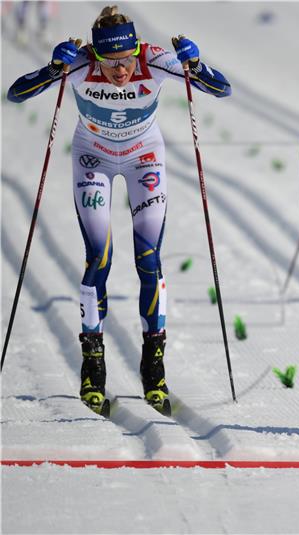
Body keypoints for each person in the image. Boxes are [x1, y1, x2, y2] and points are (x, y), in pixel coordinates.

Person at [7, 5, 232, 416]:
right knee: (100, 258)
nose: (121, 72)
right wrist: (51, 68)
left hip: (145, 159)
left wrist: (196, 65)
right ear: (96, 55)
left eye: (126, 61)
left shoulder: (155, 59)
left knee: (149, 259)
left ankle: (154, 368)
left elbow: (222, 90)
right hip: (93, 159)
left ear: (136, 51)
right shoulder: (78, 63)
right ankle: (93, 368)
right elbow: (15, 93)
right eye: (110, 64)